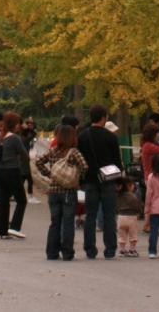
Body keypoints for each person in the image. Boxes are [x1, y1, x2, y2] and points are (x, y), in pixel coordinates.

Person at [78, 105, 124, 258]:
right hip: (108, 180)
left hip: (90, 180)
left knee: (90, 215)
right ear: (103, 118)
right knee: (109, 215)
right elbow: (117, 161)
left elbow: (80, 161)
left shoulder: (83, 136)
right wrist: (119, 181)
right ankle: (110, 249)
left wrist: (81, 180)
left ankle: (90, 249)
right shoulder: (111, 137)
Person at [36, 124, 87, 261]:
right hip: (68, 192)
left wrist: (50, 174)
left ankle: (52, 252)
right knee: (68, 222)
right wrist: (76, 177)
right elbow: (84, 166)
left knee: (55, 222)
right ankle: (67, 252)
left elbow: (39, 162)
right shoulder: (74, 152)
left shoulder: (53, 151)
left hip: (53, 191)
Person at [0, 112, 29, 240]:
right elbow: (25, 155)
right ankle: (14, 227)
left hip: (0, 172)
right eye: (18, 123)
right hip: (12, 171)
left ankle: (3, 231)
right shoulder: (14, 138)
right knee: (22, 200)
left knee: (4, 202)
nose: (19, 125)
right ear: (14, 124)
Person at [116, 177, 142, 257]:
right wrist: (139, 211)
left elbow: (115, 206)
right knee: (133, 234)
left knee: (121, 234)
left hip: (120, 217)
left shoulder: (118, 195)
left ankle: (122, 250)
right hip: (131, 217)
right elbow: (137, 206)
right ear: (129, 185)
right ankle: (132, 250)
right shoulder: (132, 196)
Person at [21, 118, 39, 202]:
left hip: (24, 159)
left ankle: (16, 194)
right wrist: (30, 129)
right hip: (23, 159)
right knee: (29, 179)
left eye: (32, 124)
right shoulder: (25, 135)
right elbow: (32, 135)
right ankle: (30, 196)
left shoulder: (27, 134)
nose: (30, 125)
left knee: (23, 178)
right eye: (29, 124)